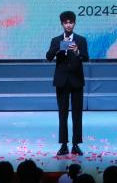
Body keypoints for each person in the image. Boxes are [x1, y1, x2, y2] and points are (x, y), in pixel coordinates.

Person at [46, 10, 88, 155]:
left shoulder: (81, 40)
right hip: (62, 81)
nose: (68, 25)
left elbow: (86, 57)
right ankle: (63, 145)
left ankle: (76, 144)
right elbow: (48, 57)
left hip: (76, 81)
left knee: (77, 114)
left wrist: (77, 51)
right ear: (62, 24)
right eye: (66, 22)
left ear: (74, 23)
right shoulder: (56, 40)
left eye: (71, 22)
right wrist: (59, 47)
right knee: (62, 114)